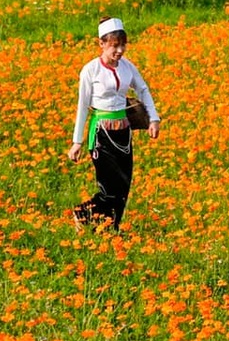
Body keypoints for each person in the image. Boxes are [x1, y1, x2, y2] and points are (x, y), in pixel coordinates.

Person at [67, 18, 160, 229]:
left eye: (122, 45)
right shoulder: (90, 71)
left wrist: (153, 118)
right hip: (101, 134)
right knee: (109, 188)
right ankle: (82, 213)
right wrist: (77, 142)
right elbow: (82, 106)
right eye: (114, 46)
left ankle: (111, 228)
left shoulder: (127, 67)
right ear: (101, 44)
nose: (119, 50)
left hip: (124, 133)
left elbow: (142, 89)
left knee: (123, 186)